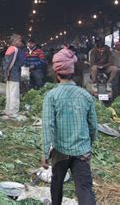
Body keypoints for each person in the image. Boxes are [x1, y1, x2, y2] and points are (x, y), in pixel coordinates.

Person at [42, 47, 97, 205]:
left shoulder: (51, 96)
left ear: (56, 71)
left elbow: (48, 127)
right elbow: (93, 125)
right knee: (84, 188)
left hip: (60, 151)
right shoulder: (85, 95)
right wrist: (90, 142)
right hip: (82, 151)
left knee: (57, 184)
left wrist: (45, 153)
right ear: (72, 72)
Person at [2, 34, 25, 120]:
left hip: (10, 74)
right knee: (14, 94)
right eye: (19, 41)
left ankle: (8, 111)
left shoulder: (10, 49)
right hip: (14, 74)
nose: (20, 42)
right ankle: (13, 113)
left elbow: (5, 64)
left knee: (9, 94)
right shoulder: (14, 49)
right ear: (14, 41)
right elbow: (10, 63)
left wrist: (5, 74)